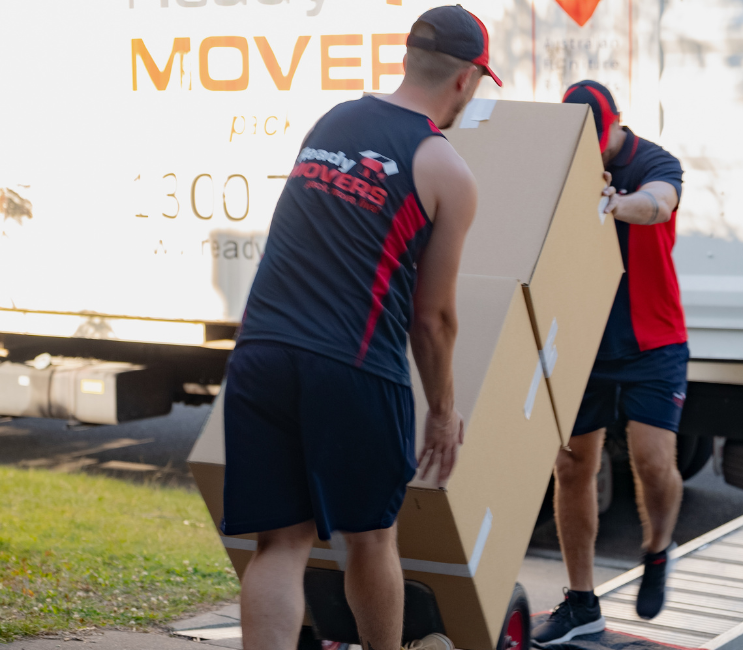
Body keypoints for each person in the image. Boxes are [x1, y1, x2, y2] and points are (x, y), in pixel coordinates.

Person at [219, 7, 502, 650]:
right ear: (467, 79)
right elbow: (433, 319)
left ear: (408, 58)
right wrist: (443, 411)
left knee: (281, 545)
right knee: (371, 540)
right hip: (352, 365)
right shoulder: (447, 171)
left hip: (261, 353)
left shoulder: (333, 121)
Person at [535, 80, 686, 643]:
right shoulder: (564, 162)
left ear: (618, 123)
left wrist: (615, 204)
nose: (591, 153)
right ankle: (581, 602)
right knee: (573, 466)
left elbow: (659, 204)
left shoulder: (655, 161)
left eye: (598, 141)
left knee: (652, 463)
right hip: (585, 339)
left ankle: (657, 549)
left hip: (655, 339)